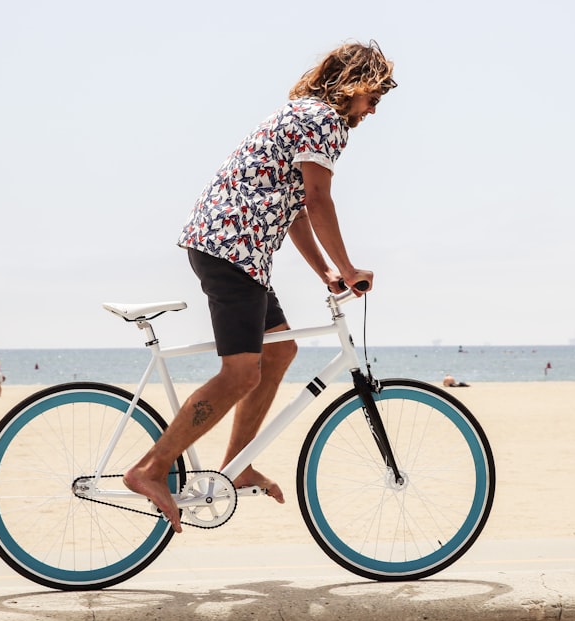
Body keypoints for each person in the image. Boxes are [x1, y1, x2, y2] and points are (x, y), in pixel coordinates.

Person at [124, 41, 397, 532]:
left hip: (234, 246)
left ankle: (236, 464)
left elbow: (293, 212)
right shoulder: (325, 121)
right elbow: (317, 199)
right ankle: (150, 468)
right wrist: (350, 266)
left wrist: (328, 274)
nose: (376, 108)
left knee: (281, 351)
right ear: (352, 83)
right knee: (240, 373)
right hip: (232, 247)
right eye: (375, 95)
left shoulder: (303, 113)